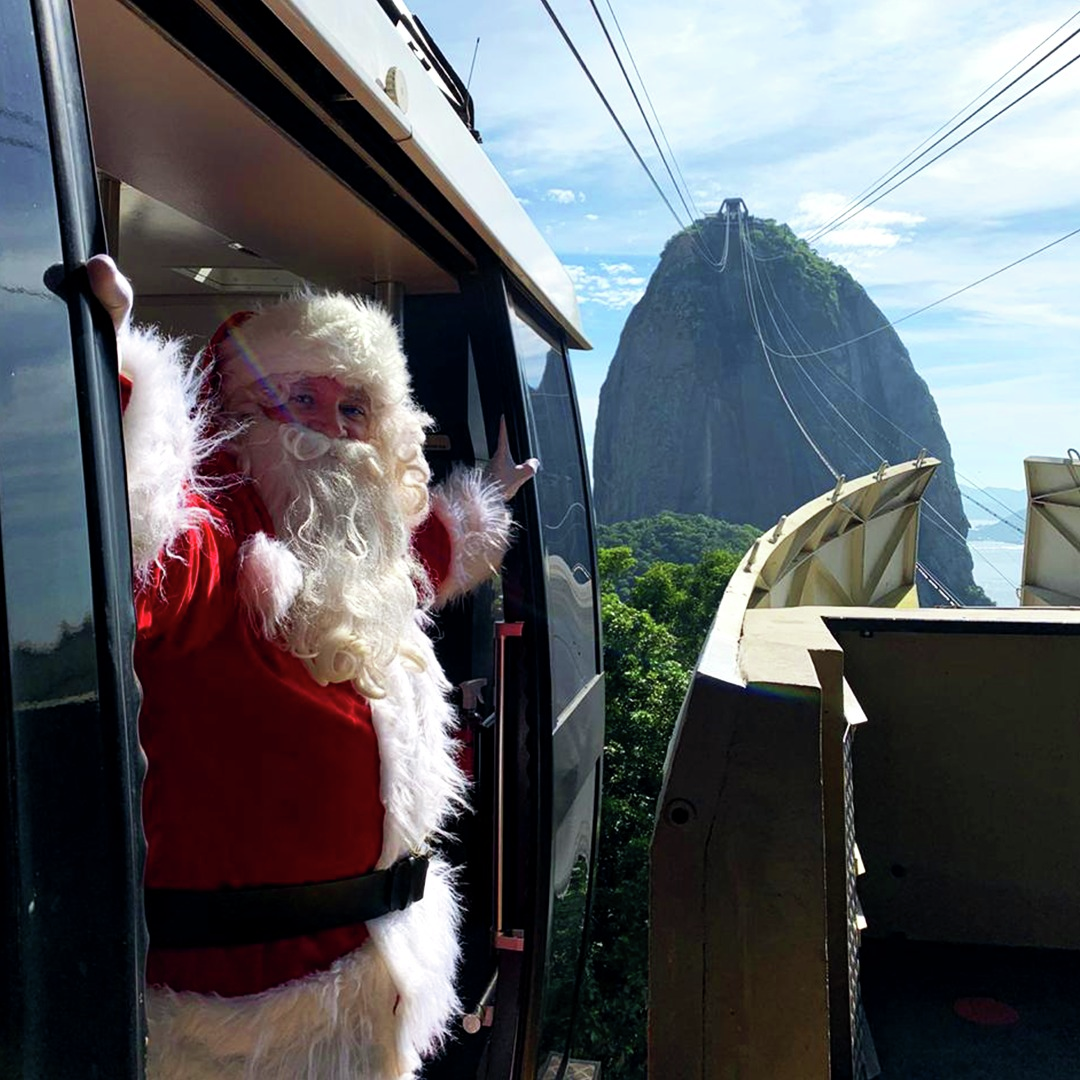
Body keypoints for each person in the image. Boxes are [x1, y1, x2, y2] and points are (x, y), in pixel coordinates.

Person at [87, 255, 536, 1079]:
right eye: (299, 399)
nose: (329, 428)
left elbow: (409, 562)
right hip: (241, 1028)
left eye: (353, 407)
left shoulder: (354, 556)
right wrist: (102, 379)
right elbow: (131, 550)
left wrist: (487, 504)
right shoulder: (217, 544)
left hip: (376, 999)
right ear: (240, 414)